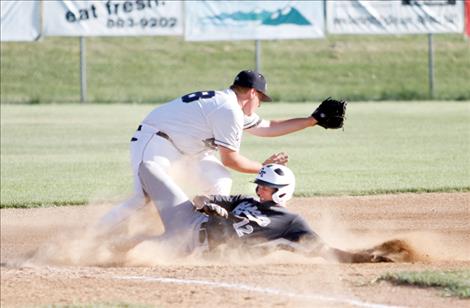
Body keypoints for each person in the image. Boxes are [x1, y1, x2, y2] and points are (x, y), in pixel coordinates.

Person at [97, 70, 339, 232]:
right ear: (253, 93)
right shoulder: (228, 110)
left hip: (188, 150)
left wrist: (311, 121)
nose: (260, 104)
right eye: (261, 99)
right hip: (156, 142)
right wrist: (265, 170)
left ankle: (203, 231)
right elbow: (230, 159)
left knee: (219, 179)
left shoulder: (231, 106)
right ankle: (94, 237)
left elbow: (267, 127)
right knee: (144, 198)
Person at [133, 162, 402, 262]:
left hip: (193, 249)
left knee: (136, 250)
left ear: (282, 191)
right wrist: (208, 204)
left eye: (266, 187)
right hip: (189, 223)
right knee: (148, 167)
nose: (260, 189)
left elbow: (323, 250)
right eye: (260, 185)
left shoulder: (290, 222)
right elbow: (201, 198)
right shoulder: (243, 199)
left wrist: (364, 257)